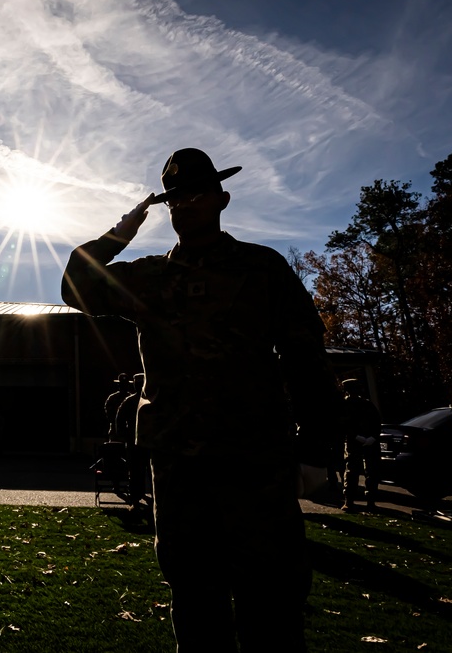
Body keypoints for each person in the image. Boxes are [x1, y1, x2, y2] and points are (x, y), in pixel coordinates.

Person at [61, 147, 341, 653]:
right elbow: (74, 284)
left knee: (272, 598)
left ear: (222, 199)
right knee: (194, 596)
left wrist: (318, 446)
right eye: (174, 199)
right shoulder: (148, 277)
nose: (184, 205)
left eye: (196, 194)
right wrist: (119, 233)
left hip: (254, 456)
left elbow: (305, 356)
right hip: (179, 464)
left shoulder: (261, 268)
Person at [340, 378, 382, 511]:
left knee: (354, 471)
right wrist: (371, 438)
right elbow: (377, 422)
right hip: (362, 440)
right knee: (367, 471)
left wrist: (366, 437)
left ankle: (352, 500)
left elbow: (343, 424)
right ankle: (367, 500)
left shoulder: (346, 405)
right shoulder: (366, 404)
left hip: (357, 441)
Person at [115, 373, 150, 507]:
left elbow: (119, 419)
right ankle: (138, 498)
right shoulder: (148, 400)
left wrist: (123, 435)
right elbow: (120, 419)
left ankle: (136, 499)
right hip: (142, 442)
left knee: (136, 472)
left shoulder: (130, 401)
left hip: (136, 442)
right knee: (140, 472)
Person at [105, 372, 133, 441]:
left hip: (128, 432)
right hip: (117, 432)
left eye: (125, 384)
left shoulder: (131, 399)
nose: (124, 386)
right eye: (122, 384)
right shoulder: (112, 398)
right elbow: (109, 415)